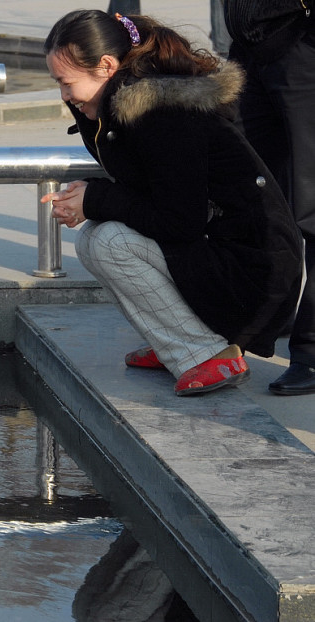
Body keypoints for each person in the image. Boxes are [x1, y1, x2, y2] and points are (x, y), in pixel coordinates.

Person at [41, 10, 303, 397]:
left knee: (107, 242)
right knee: (98, 237)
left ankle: (205, 354)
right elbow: (155, 191)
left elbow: (180, 221)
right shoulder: (122, 103)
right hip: (223, 253)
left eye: (66, 83)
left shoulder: (161, 112)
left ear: (106, 66)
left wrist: (96, 198)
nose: (64, 95)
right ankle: (175, 346)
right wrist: (90, 194)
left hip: (254, 273)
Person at [222, 1, 315, 396]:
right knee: (251, 194)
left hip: (303, 45)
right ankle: (273, 314)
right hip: (249, 47)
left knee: (311, 207)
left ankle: (311, 352)